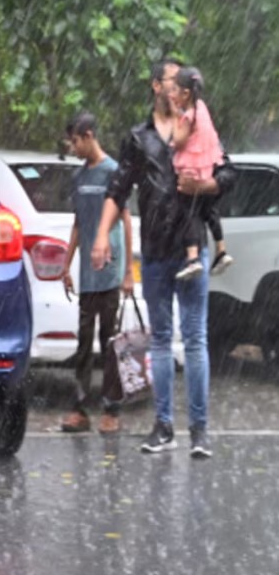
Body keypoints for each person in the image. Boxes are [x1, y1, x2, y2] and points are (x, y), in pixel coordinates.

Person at [91, 59, 237, 459]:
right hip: (155, 251)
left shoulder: (200, 127)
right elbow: (117, 189)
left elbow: (228, 173)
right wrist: (102, 235)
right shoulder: (139, 139)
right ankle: (163, 427)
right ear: (157, 87)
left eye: (185, 84)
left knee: (194, 340)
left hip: (192, 251)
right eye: (174, 82)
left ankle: (200, 431)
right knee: (159, 340)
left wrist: (205, 183)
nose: (181, 89)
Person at [59, 111, 133, 435]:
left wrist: (128, 271)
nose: (72, 147)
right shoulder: (79, 178)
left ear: (89, 136)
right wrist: (66, 265)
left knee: (110, 340)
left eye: (75, 141)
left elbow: (126, 221)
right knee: (84, 341)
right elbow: (78, 223)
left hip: (111, 271)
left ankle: (111, 409)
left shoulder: (113, 172)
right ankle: (80, 407)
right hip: (87, 275)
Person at [171, 66, 233, 280]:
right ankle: (221, 249)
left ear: (185, 93)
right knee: (208, 209)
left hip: (190, 169)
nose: (172, 95)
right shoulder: (202, 108)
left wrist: (175, 122)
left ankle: (192, 257)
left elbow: (179, 142)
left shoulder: (187, 115)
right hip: (207, 166)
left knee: (189, 212)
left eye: (175, 90)